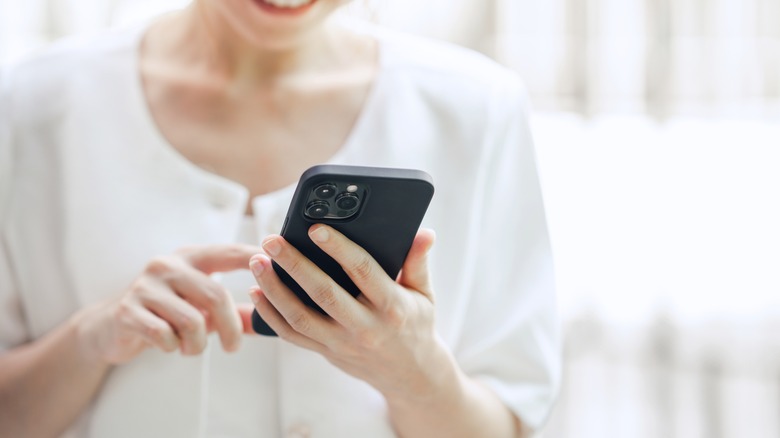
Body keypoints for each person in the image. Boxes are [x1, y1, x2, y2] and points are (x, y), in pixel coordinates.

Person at [0, 0, 560, 436]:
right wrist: (90, 340)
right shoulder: (35, 104)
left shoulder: (476, 108)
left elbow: (506, 423)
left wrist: (414, 373)